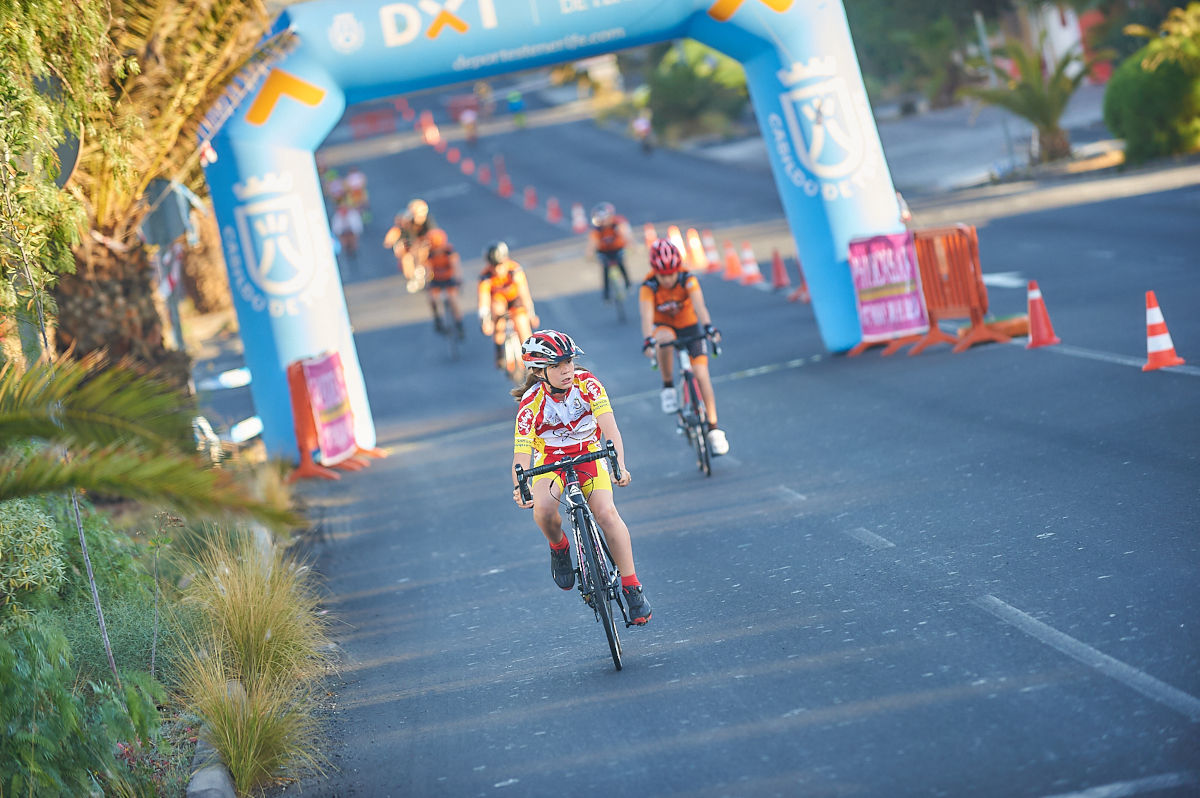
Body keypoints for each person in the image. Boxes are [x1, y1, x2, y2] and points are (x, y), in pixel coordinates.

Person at [510, 329, 652, 625]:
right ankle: (560, 548)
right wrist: (520, 487)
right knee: (544, 510)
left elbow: (610, 430)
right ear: (538, 372)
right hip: (550, 461)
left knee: (606, 512)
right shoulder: (530, 402)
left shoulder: (588, 385)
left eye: (570, 363)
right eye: (558, 366)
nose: (567, 371)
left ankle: (632, 587)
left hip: (588, 453)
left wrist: (619, 466)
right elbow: (521, 456)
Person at [638, 239, 729, 456]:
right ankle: (668, 385)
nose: (668, 279)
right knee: (664, 337)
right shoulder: (648, 286)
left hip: (690, 327)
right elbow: (646, 316)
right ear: (655, 272)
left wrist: (708, 327)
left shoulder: (688, 278)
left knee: (701, 373)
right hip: (664, 327)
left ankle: (714, 428)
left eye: (671, 274)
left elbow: (700, 306)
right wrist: (647, 339)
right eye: (663, 275)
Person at [478, 241, 538, 369]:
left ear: (506, 260)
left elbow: (524, 295)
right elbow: (483, 301)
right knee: (496, 309)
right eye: (493, 266)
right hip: (499, 302)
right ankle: (499, 349)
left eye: (499, 265)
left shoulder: (515, 271)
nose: (497, 269)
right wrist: (485, 321)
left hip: (515, 300)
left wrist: (531, 315)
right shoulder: (485, 276)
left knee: (521, 322)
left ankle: (531, 358)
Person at [382, 198, 437, 290]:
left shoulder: (427, 221)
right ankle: (413, 277)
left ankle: (425, 273)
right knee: (406, 259)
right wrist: (394, 242)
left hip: (424, 245)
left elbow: (433, 235)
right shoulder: (406, 221)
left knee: (422, 253)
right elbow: (398, 232)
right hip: (411, 245)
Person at [587, 202, 632, 302]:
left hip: (617, 249)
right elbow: (592, 243)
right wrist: (590, 254)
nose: (604, 222)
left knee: (620, 262)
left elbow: (625, 235)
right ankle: (606, 294)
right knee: (605, 268)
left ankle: (628, 283)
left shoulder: (617, 224)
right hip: (604, 251)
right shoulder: (597, 230)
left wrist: (630, 245)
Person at [425, 228, 464, 338]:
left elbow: (455, 265)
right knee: (432, 298)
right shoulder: (429, 254)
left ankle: (459, 324)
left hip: (448, 278)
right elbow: (427, 269)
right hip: (436, 279)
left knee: (453, 299)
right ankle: (438, 319)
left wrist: (458, 279)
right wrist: (427, 282)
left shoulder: (449, 251)